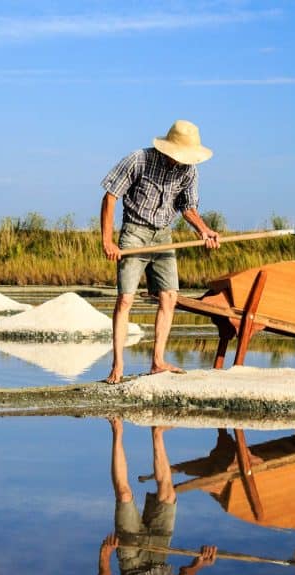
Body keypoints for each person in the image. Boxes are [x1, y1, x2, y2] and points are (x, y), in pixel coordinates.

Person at [100, 120, 221, 384]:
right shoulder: (139, 160)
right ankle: (117, 366)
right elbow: (110, 196)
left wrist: (204, 231)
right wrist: (108, 241)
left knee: (169, 297)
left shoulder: (189, 171)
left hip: (164, 236)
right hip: (135, 233)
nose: (182, 161)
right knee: (126, 299)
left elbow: (187, 208)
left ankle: (157, 361)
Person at [97, 418, 217, 575]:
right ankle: (157, 433)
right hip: (160, 554)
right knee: (167, 493)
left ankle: (117, 429)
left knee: (124, 494)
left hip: (131, 560)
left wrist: (105, 557)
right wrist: (199, 564)